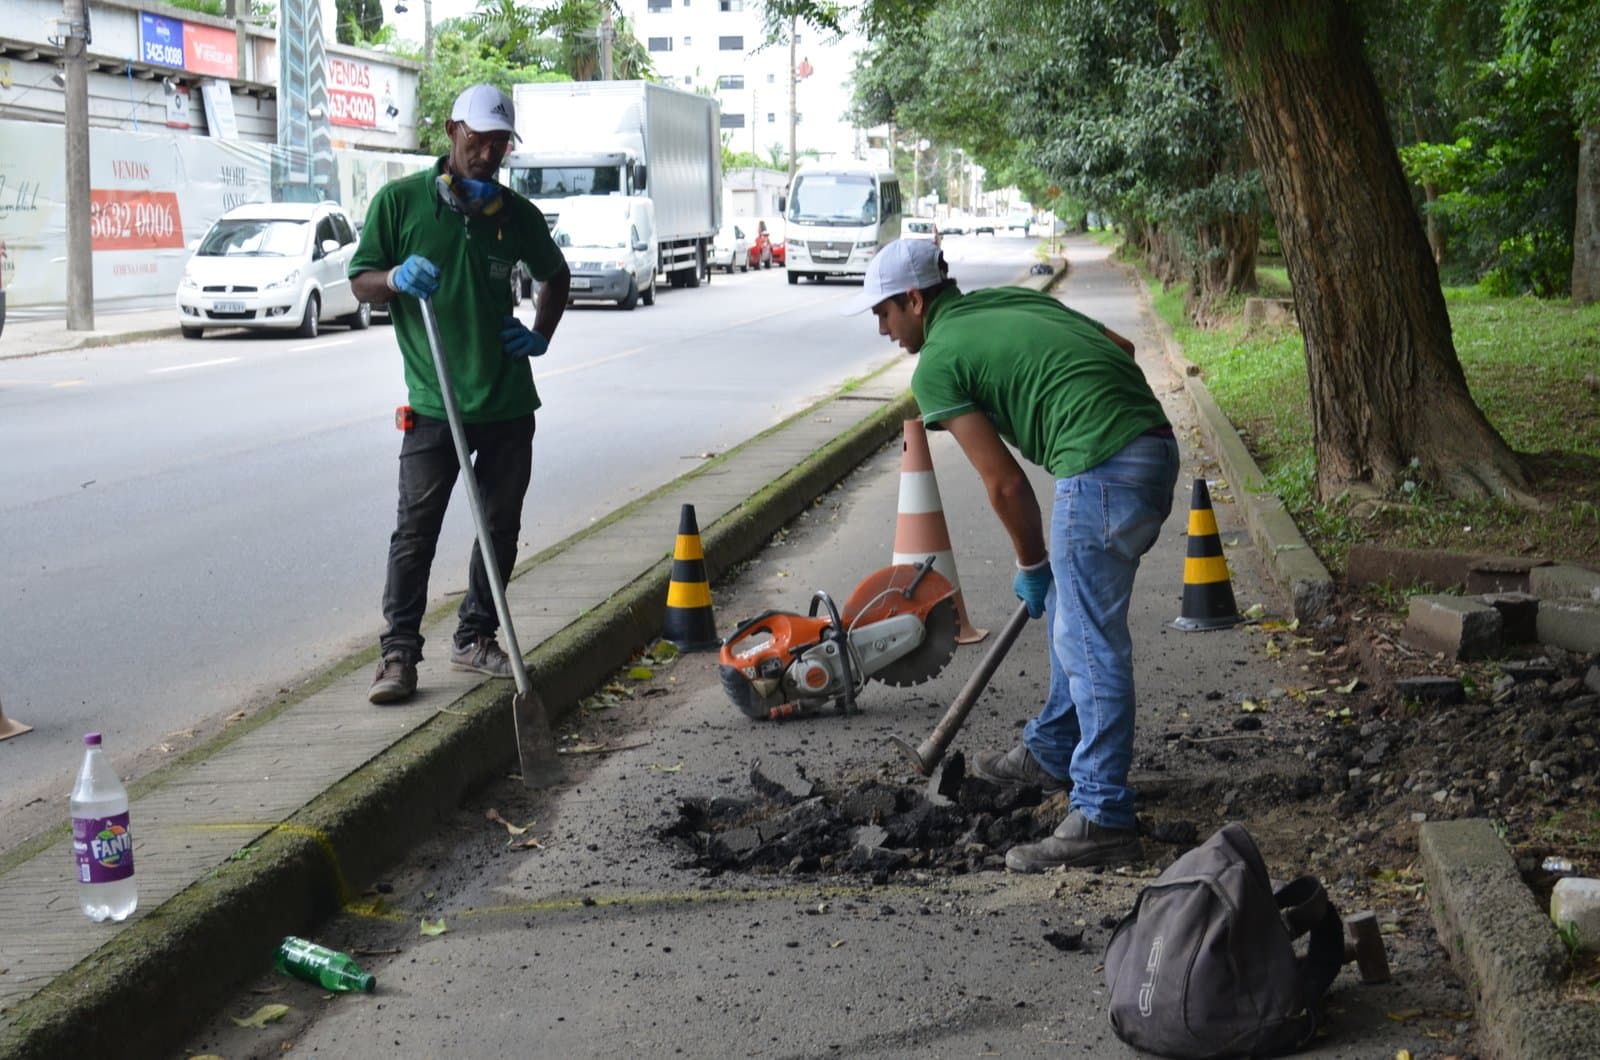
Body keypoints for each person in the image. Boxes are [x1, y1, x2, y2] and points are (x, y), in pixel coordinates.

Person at [844, 239, 1179, 871]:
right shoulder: (1009, 301)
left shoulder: (937, 363)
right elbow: (1122, 349)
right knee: (1073, 619)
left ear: (914, 300)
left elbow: (1003, 484)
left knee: (1088, 641)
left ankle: (1103, 814)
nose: (882, 328)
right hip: (1152, 447)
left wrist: (1031, 565)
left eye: (884, 312)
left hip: (1101, 467)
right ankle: (1052, 748)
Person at [350, 84, 572, 705]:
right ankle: (398, 654)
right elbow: (361, 281)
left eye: (501, 143)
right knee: (415, 532)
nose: (489, 153)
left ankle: (475, 637)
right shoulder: (400, 203)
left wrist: (540, 334)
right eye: (479, 139)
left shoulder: (515, 215)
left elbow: (556, 275)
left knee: (500, 528)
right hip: (433, 401)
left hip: (507, 402)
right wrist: (395, 278)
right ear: (452, 131)